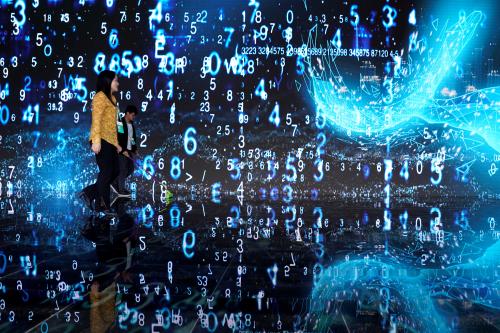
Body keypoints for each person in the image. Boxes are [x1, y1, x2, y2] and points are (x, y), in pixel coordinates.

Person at [80, 70, 122, 216]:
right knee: (106, 172)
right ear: (108, 82)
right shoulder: (99, 97)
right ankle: (103, 205)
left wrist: (116, 143)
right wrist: (96, 141)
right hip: (100, 140)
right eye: (115, 80)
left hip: (110, 141)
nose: (117, 83)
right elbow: (96, 121)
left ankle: (89, 193)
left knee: (115, 171)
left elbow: (112, 125)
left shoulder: (113, 99)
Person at [111, 105, 138, 197]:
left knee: (130, 169)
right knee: (123, 170)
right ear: (127, 113)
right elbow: (119, 137)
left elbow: (132, 138)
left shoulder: (131, 125)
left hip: (129, 150)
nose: (133, 117)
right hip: (121, 151)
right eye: (132, 115)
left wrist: (135, 148)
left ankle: (115, 182)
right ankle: (121, 191)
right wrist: (123, 150)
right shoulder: (120, 123)